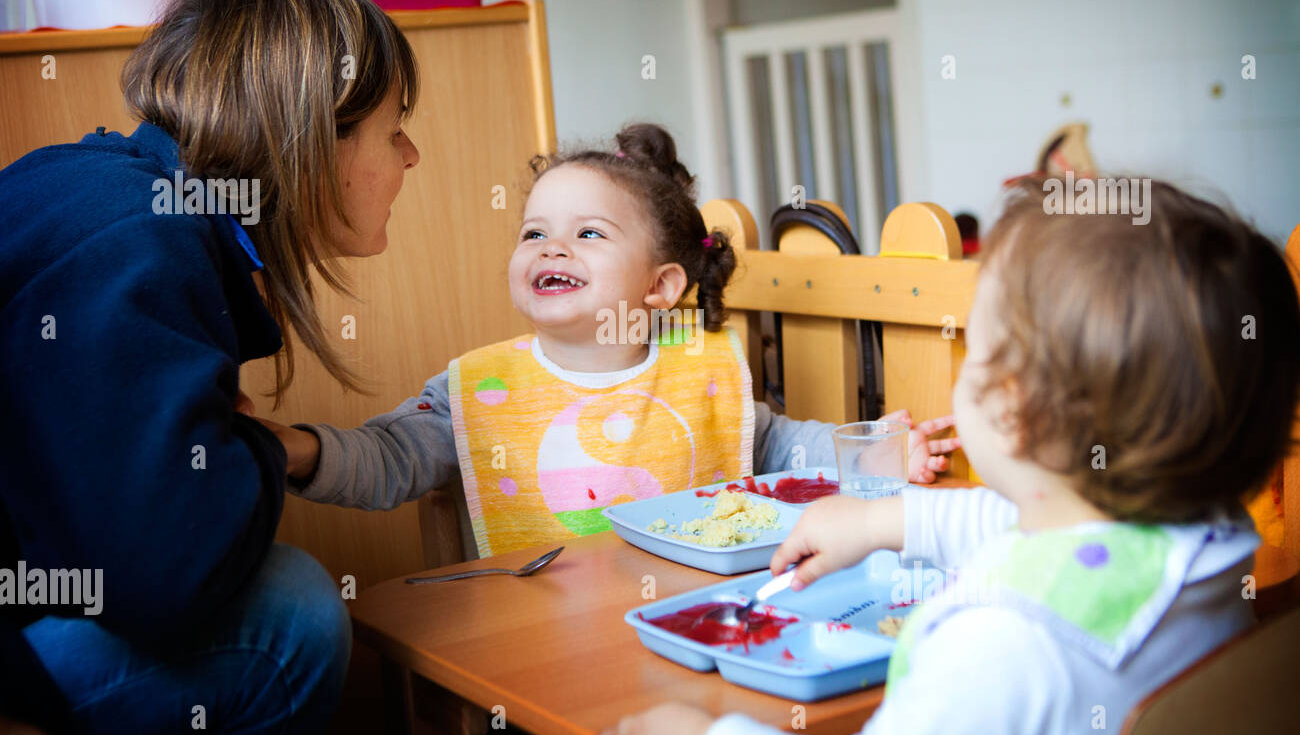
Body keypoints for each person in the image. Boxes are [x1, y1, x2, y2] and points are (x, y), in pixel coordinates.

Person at [593, 178, 1300, 735]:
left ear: (1014, 410)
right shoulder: (1204, 539)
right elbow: (1028, 527)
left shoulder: (1003, 648)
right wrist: (884, 520)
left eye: (977, 346)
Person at [0, 0, 420, 735]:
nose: (413, 154)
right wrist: (254, 450)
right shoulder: (137, 243)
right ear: (316, 131)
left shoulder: (110, 191)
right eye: (395, 127)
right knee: (291, 615)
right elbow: (168, 578)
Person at [257, 123, 961, 558]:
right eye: (534, 232)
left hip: (688, 619)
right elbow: (390, 459)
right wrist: (302, 449)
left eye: (588, 234)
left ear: (659, 289)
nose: (552, 247)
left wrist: (876, 450)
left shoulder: (702, 370)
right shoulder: (479, 391)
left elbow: (779, 448)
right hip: (536, 647)